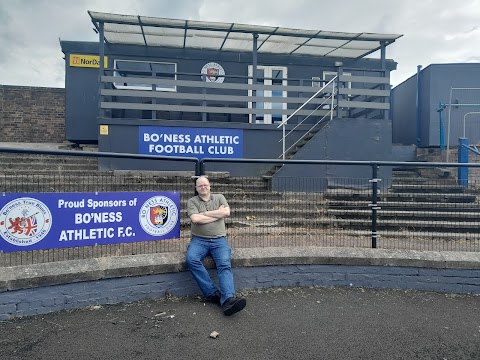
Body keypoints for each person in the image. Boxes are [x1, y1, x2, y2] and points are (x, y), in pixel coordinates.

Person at [186, 175, 246, 316]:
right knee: (191, 259)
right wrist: (217, 214)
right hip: (199, 240)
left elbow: (226, 212)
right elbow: (196, 219)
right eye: (200, 185)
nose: (203, 187)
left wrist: (205, 213)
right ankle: (212, 293)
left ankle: (228, 299)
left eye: (205, 185)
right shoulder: (192, 201)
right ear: (196, 188)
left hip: (219, 240)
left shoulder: (219, 197)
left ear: (210, 186)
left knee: (224, 264)